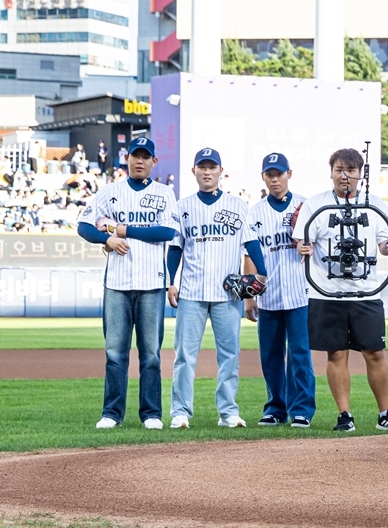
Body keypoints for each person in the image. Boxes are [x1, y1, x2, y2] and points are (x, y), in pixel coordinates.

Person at [292, 148, 388, 433]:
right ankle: (344, 414)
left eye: (351, 170)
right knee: (336, 353)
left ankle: (385, 413)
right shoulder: (315, 204)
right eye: (339, 170)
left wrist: (387, 247)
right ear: (331, 172)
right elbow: (301, 242)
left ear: (360, 173)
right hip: (326, 291)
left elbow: (384, 242)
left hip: (366, 291)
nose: (345, 176)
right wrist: (302, 247)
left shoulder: (375, 204)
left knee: (375, 352)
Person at [76, 136, 177, 430]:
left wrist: (123, 229)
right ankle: (112, 413)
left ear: (154, 161)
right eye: (136, 155)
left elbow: (167, 232)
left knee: (151, 355)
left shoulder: (164, 193)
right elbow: (83, 225)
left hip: (151, 283)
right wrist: (107, 238)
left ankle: (151, 414)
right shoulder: (109, 192)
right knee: (115, 353)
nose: (140, 161)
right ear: (127, 159)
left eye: (146, 156)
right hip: (117, 284)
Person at [166, 148, 267, 429]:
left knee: (230, 355)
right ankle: (180, 412)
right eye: (202, 166)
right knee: (184, 355)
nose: (207, 171)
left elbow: (252, 243)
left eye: (212, 167)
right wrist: (170, 282)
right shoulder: (182, 207)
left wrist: (263, 274)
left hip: (228, 294)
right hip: (191, 294)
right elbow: (175, 248)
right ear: (194, 171)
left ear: (221, 171)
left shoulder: (237, 205)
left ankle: (228, 412)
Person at [244, 152, 315, 428]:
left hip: (300, 292)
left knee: (300, 353)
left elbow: (318, 244)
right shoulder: (255, 212)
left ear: (289, 174)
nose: (275, 178)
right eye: (269, 174)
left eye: (279, 173)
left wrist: (307, 246)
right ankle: (275, 408)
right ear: (263, 177)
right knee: (271, 356)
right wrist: (249, 296)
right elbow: (249, 255)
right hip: (268, 294)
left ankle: (302, 410)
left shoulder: (305, 206)